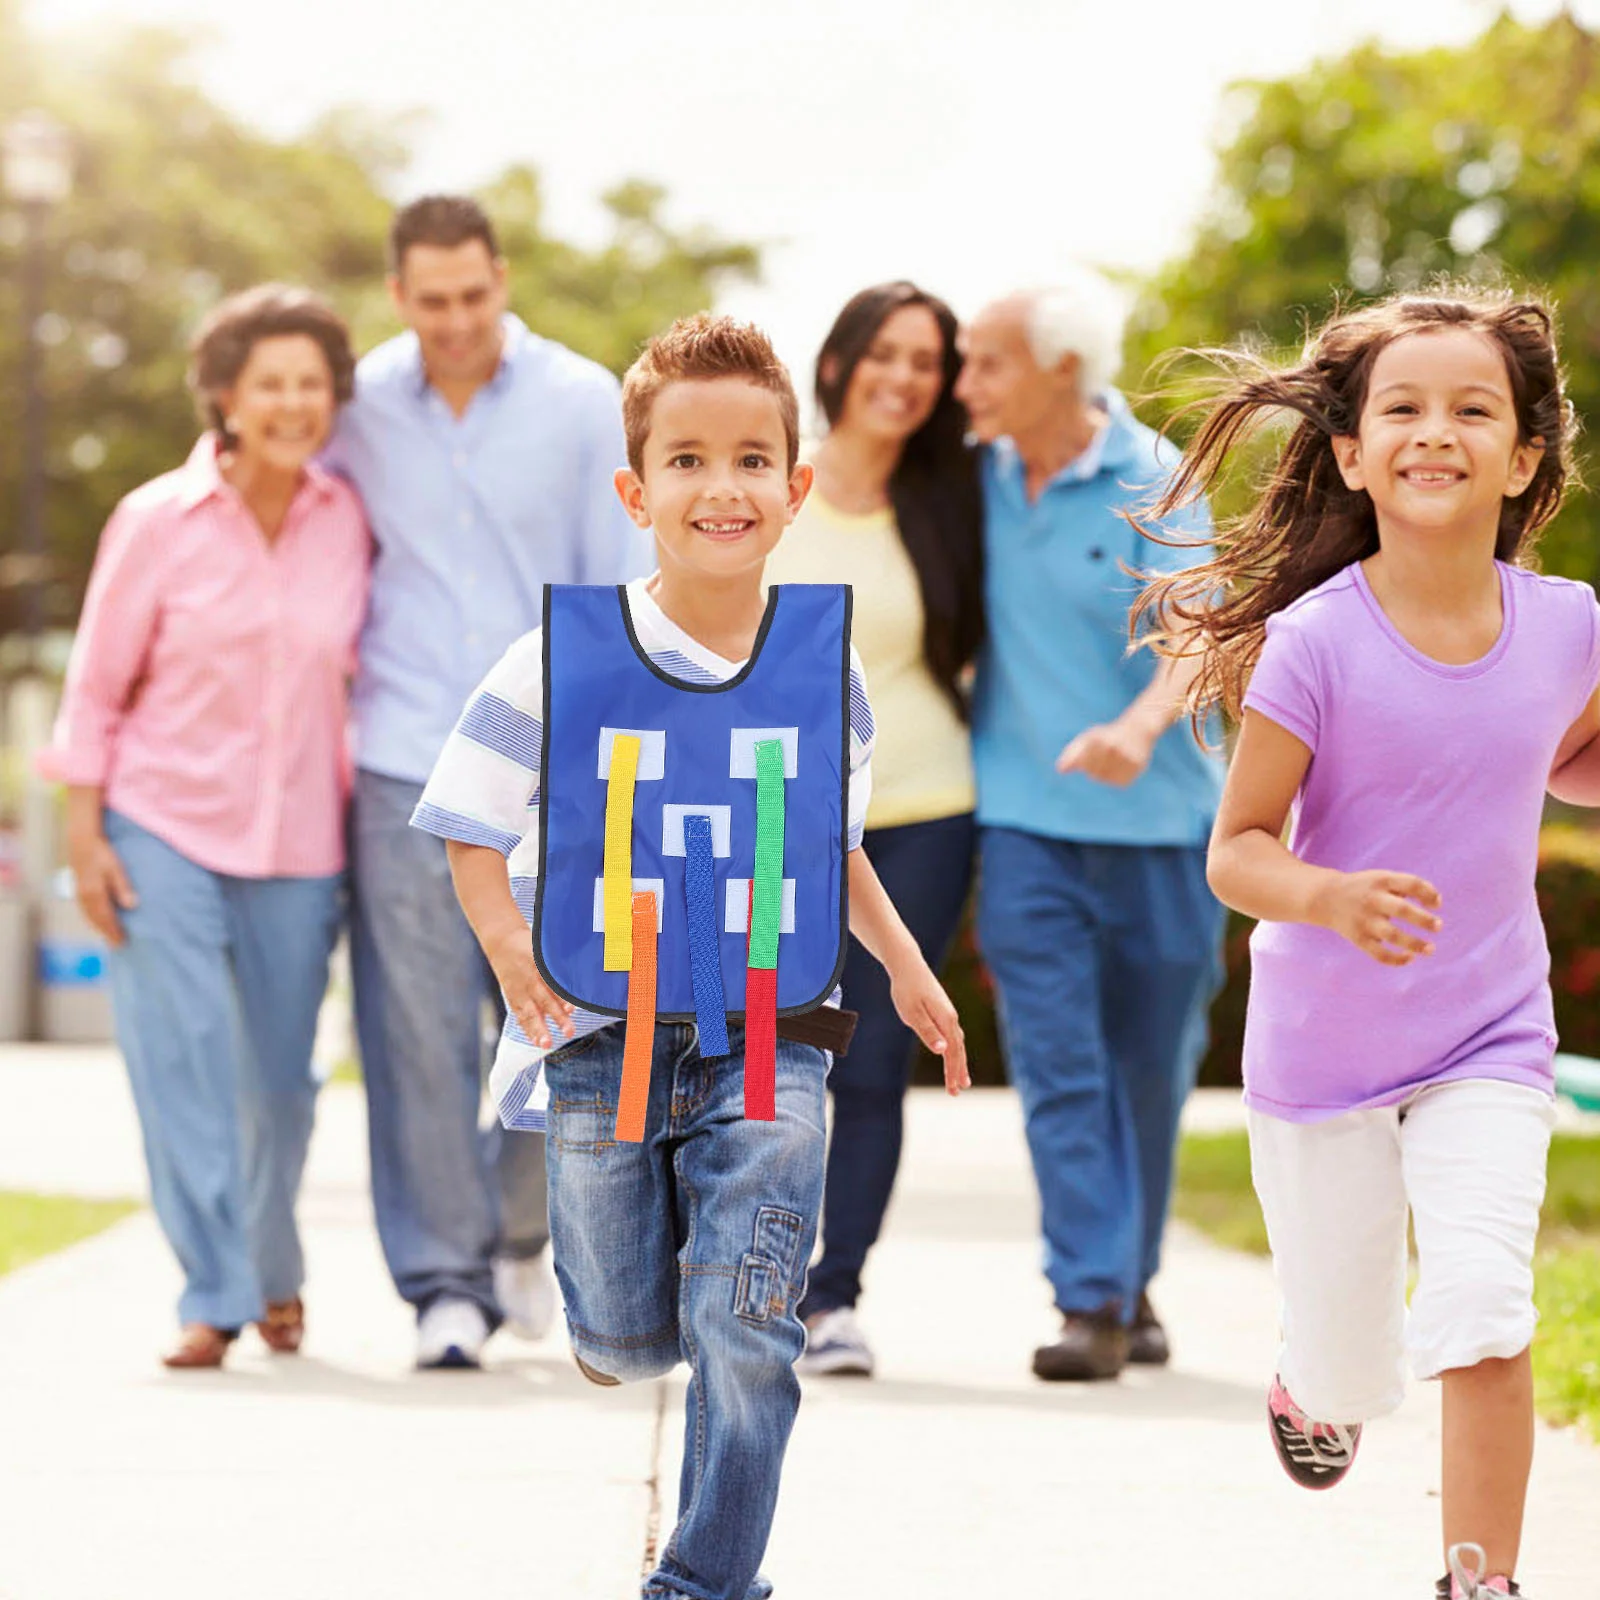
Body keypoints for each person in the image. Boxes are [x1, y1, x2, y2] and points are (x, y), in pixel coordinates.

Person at [416, 313, 969, 1600]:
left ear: (794, 489)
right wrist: (512, 956)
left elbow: (828, 851)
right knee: (623, 1333)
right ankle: (627, 1313)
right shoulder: (560, 655)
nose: (720, 486)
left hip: (773, 1034)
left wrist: (901, 962)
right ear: (635, 488)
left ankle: (707, 1579)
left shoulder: (822, 673)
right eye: (686, 459)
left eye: (749, 460)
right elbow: (467, 822)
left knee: (750, 1320)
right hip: (596, 1036)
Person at [1139, 287, 1593, 1600]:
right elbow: (1239, 850)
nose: (1434, 430)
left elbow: (1565, 758)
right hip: (1324, 1054)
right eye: (1403, 406)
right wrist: (1330, 897)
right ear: (1350, 453)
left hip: (1490, 1036)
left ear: (1522, 459)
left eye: (1472, 409)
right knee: (1351, 1365)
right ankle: (1314, 1383)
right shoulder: (1316, 642)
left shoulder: (1571, 625)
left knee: (1483, 1306)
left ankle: (1480, 1581)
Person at [326, 195, 649, 1369]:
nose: (456, 319)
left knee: (546, 1011)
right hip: (398, 756)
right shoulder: (355, 406)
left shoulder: (579, 401)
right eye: (431, 300)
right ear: (400, 294)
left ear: (500, 279)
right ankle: (441, 1287)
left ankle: (520, 1233)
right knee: (409, 1032)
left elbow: (618, 583)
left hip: (539, 769)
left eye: (475, 295)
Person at [40, 285, 368, 1369]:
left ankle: (272, 1266)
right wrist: (84, 836)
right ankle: (214, 1290)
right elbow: (92, 691)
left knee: (279, 1080)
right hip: (159, 825)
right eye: (268, 382)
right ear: (226, 395)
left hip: (300, 842)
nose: (290, 402)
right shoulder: (153, 521)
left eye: (310, 384)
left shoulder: (345, 522)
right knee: (180, 1061)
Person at [955, 272, 1225, 1381]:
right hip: (1022, 823)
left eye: (987, 362)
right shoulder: (964, 483)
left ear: (1062, 369)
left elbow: (1200, 632)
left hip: (1160, 829)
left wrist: (1137, 725)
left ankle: (1129, 1272)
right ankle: (1091, 1298)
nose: (963, 383)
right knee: (1061, 1066)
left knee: (1149, 1072)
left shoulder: (1155, 479)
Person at [763, 281, 982, 1376]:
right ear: (841, 360)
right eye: (885, 354)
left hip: (921, 808)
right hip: (776, 815)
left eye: (927, 361)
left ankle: (832, 1294)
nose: (903, 377)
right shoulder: (773, 485)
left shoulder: (950, 499)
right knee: (766, 1046)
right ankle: (749, 1276)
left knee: (875, 1051)